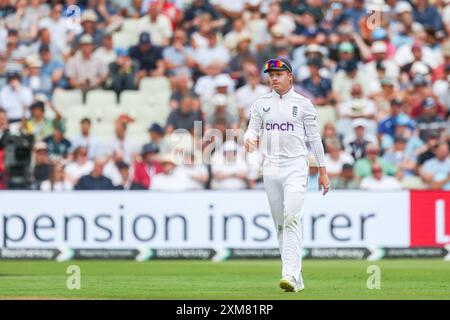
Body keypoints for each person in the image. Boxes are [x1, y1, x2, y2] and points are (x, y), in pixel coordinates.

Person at [244, 58, 329, 292]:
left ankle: (289, 274)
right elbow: (252, 128)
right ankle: (296, 277)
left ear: (289, 76)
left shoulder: (303, 103)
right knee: (280, 224)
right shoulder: (261, 103)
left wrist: (323, 171)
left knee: (292, 217)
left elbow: (314, 139)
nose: (274, 78)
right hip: (271, 167)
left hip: (295, 166)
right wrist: (248, 139)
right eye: (271, 74)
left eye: (279, 74)